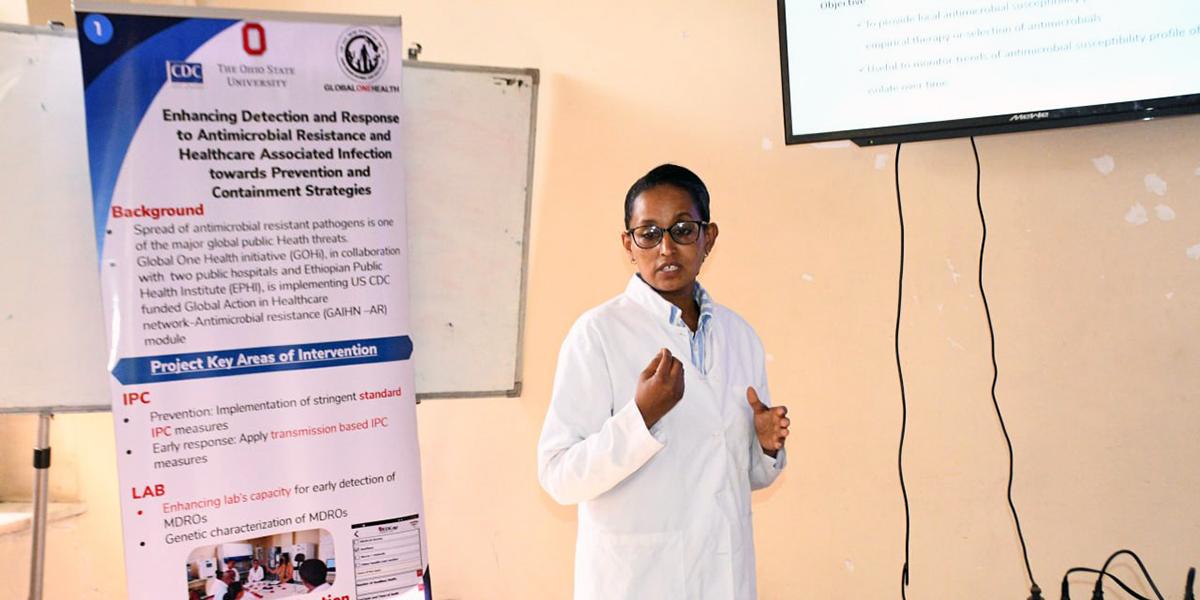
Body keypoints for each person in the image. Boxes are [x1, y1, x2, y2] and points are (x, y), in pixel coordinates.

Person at [537, 164, 790, 600]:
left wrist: (765, 447)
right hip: (637, 582)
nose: (666, 247)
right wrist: (641, 418)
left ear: (708, 238)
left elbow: (730, 476)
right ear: (628, 244)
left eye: (682, 229)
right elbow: (559, 476)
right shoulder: (597, 334)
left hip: (724, 579)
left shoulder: (740, 337)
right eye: (649, 233)